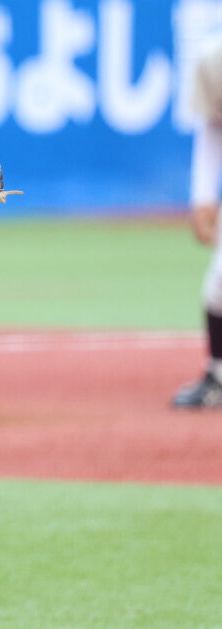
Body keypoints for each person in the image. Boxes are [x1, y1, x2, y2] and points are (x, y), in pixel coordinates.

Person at [174, 39, 222, 407]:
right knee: (219, 285)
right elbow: (213, 124)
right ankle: (218, 376)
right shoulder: (213, 60)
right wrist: (203, 195)